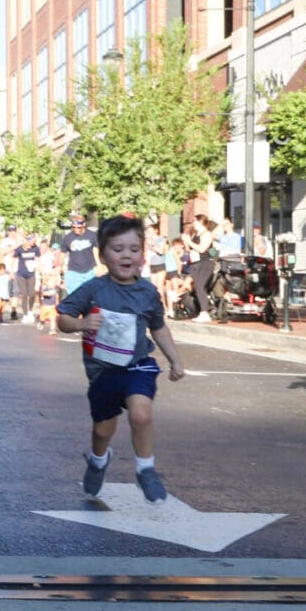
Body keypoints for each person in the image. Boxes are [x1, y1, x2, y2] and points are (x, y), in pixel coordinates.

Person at [56, 214, 186, 503]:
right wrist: (80, 324)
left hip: (138, 364)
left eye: (134, 249)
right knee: (103, 430)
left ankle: (145, 470)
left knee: (141, 414)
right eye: (118, 249)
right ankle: (98, 460)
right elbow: (62, 318)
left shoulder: (148, 292)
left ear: (143, 253)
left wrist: (175, 360)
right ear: (102, 256)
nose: (127, 255)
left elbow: (158, 327)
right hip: (103, 371)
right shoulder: (94, 289)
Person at [184, 215, 218, 322]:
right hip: (195, 262)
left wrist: (189, 242)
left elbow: (202, 249)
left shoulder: (207, 234)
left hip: (205, 263)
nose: (193, 223)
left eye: (195, 221)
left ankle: (205, 312)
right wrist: (186, 241)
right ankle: (204, 309)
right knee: (196, 287)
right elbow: (189, 249)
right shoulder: (196, 234)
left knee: (200, 286)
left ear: (200, 222)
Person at [59, 213, 97, 297]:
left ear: (84, 224)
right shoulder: (68, 237)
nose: (76, 229)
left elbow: (98, 251)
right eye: (74, 227)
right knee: (74, 297)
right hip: (73, 272)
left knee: (90, 297)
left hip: (89, 271)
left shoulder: (92, 235)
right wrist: (59, 269)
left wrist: (100, 267)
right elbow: (62, 253)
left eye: (78, 227)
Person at [15, 232, 40, 324]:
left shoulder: (36, 248)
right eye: (33, 240)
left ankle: (30, 311)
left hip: (31, 274)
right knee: (24, 294)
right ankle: (25, 314)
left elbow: (38, 259)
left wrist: (39, 270)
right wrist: (11, 272)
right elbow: (14, 258)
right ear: (28, 240)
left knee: (32, 294)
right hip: (21, 274)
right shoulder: (20, 249)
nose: (35, 241)